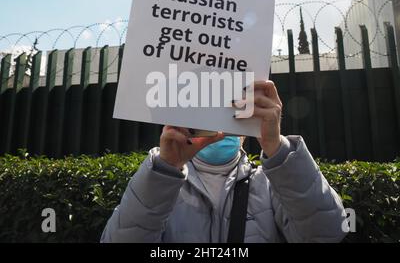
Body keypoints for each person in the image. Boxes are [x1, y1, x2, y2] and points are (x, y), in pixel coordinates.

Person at [101, 81, 349, 243]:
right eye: (209, 115)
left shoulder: (271, 183)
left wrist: (279, 149)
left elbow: (327, 233)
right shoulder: (161, 186)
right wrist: (164, 171)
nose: (220, 128)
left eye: (231, 116)